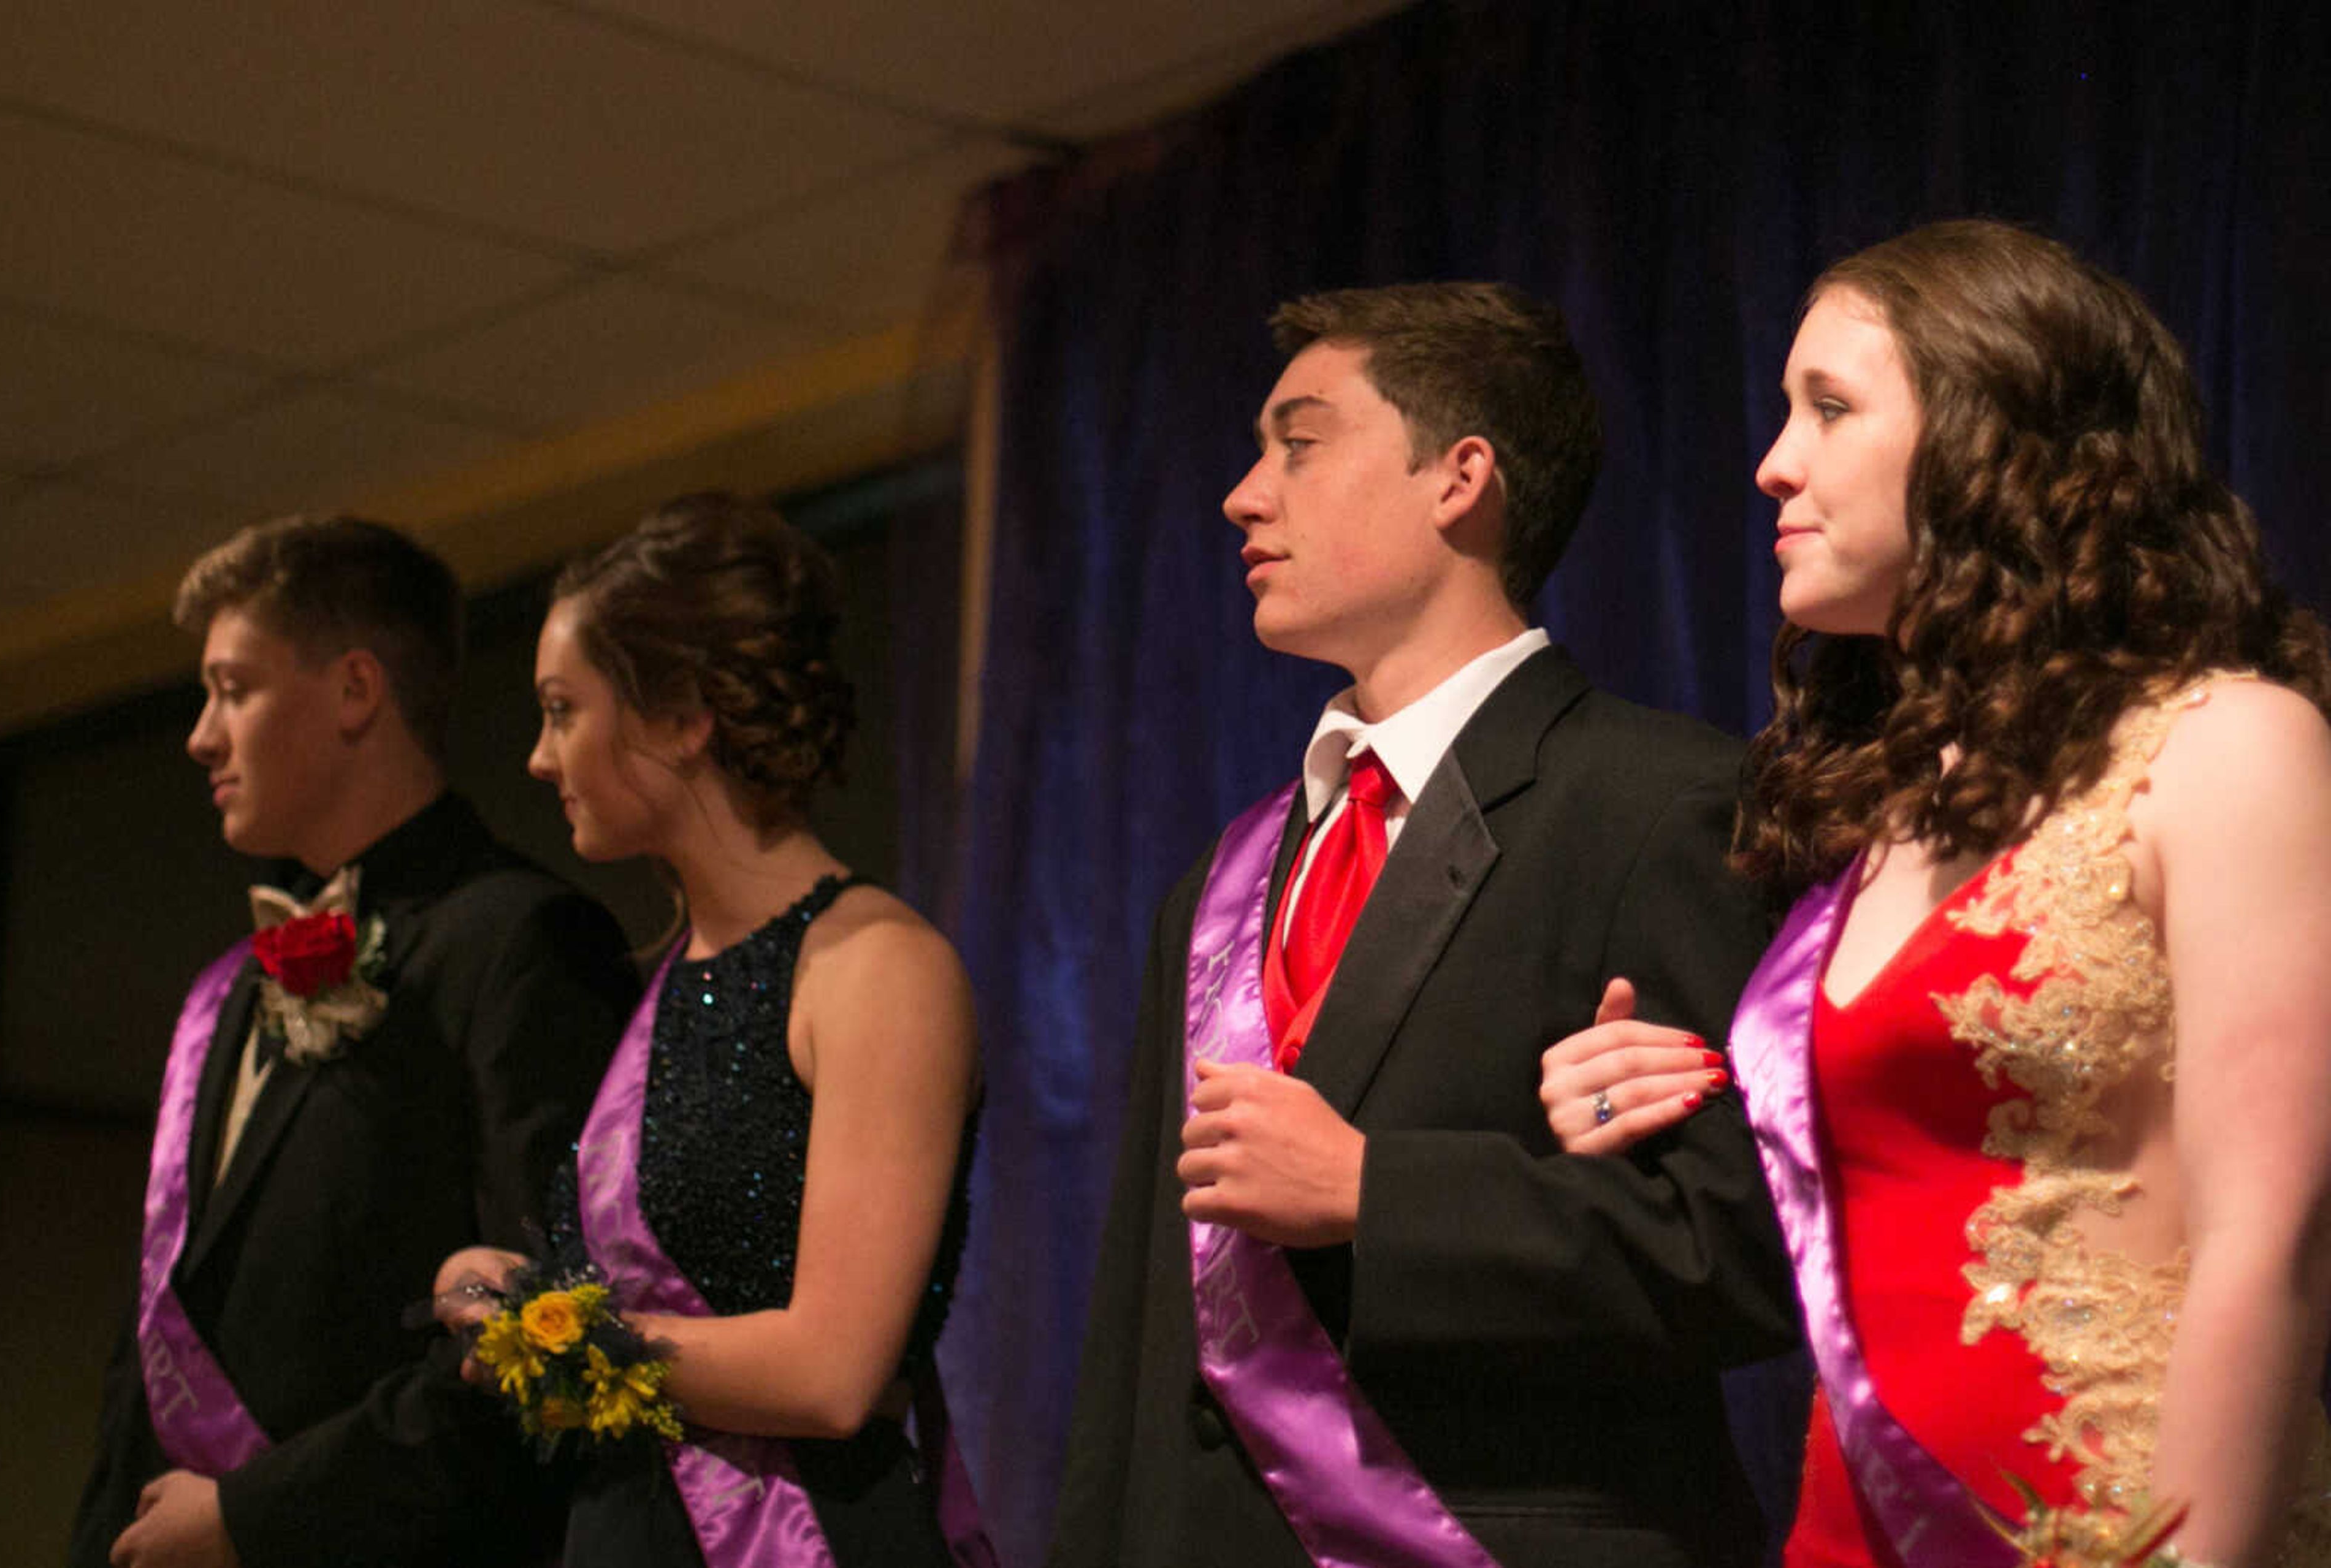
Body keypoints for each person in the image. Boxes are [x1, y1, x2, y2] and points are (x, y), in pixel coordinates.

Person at [1538, 219, 2331, 1568]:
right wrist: (1657, 1090)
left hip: (2119, 1529)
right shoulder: (1882, 812)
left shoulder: (2228, 741)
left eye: (1830, 409)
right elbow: (1922, 1157)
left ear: (1993, 439)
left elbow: (2276, 1233)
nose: (1772, 462)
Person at [1047, 281, 1799, 1568]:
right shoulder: (1224, 875)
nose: (1244, 493)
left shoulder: (1660, 802)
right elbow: (1141, 1328)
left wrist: (1374, 1192)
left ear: (1461, 478)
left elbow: (1742, 1246)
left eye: (1299, 441)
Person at [431, 492, 987, 1567]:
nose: (541, 759)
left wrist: (544, 1324)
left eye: (563, 709)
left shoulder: (875, 967)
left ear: (685, 716)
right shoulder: (649, 984)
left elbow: (833, 1371)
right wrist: (503, 1282)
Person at [73, 516, 635, 1568]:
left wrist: (256, 1515)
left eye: (233, 688)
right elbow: (150, 1347)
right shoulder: (228, 991)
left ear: (354, 691)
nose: (200, 735)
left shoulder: (517, 942)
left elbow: (544, 1337)